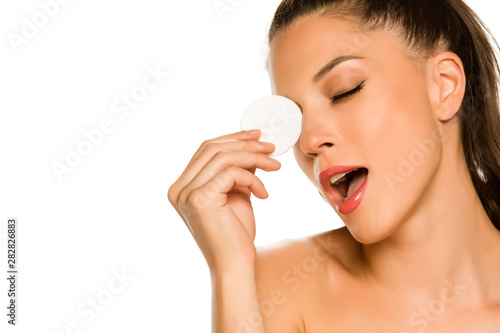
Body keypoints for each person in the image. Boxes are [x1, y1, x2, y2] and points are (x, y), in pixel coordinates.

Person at [168, 0, 500, 331]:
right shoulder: (279, 289)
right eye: (294, 120)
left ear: (444, 84)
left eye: (344, 91)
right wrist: (231, 267)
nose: (309, 140)